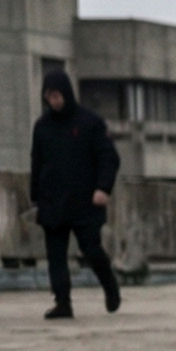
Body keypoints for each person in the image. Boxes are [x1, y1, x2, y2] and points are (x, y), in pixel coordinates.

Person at [30, 71, 122, 320]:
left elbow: (108, 157)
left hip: (85, 201)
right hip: (53, 200)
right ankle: (62, 302)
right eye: (49, 97)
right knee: (56, 256)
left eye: (57, 95)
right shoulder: (42, 127)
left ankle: (110, 286)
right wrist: (35, 195)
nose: (54, 101)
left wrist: (103, 188)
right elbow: (37, 162)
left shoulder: (89, 122)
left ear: (67, 94)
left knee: (91, 249)